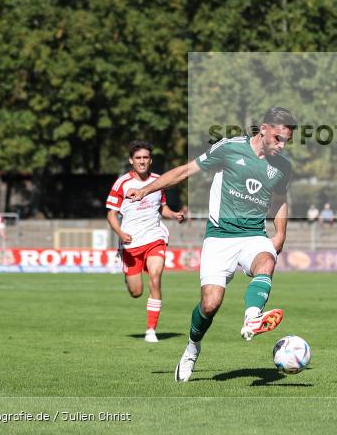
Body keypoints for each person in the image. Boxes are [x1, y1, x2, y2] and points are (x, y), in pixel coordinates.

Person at [126, 107, 295, 383]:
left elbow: (279, 200)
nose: (282, 145)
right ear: (263, 129)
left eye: (286, 140)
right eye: (278, 138)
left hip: (253, 234)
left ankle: (253, 317)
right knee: (210, 304)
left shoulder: (282, 167)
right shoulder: (229, 148)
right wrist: (145, 190)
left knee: (267, 260)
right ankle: (192, 348)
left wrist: (280, 235)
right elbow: (185, 171)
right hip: (219, 237)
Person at [106, 139, 186, 343]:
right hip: (131, 243)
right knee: (136, 292)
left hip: (154, 237)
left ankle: (151, 330)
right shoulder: (122, 183)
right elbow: (111, 215)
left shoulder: (159, 181)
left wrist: (174, 214)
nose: (142, 161)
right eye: (138, 158)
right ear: (131, 161)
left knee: (155, 278)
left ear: (151, 160)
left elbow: (162, 207)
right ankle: (129, 274)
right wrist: (120, 234)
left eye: (146, 157)